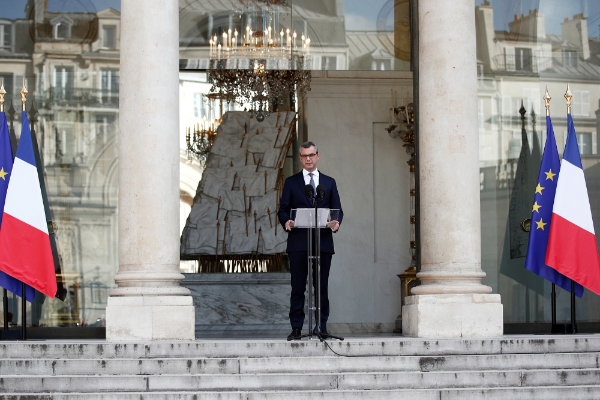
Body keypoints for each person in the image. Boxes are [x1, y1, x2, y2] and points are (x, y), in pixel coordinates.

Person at [278, 141, 343, 340]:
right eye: (304, 156)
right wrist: (286, 221)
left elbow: (338, 210)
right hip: (298, 243)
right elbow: (282, 209)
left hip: (322, 242)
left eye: (311, 155)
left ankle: (321, 326)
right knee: (298, 287)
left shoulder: (329, 182)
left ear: (317, 155)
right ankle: (297, 327)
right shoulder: (291, 182)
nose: (308, 159)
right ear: (300, 158)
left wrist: (336, 222)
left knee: (321, 286)